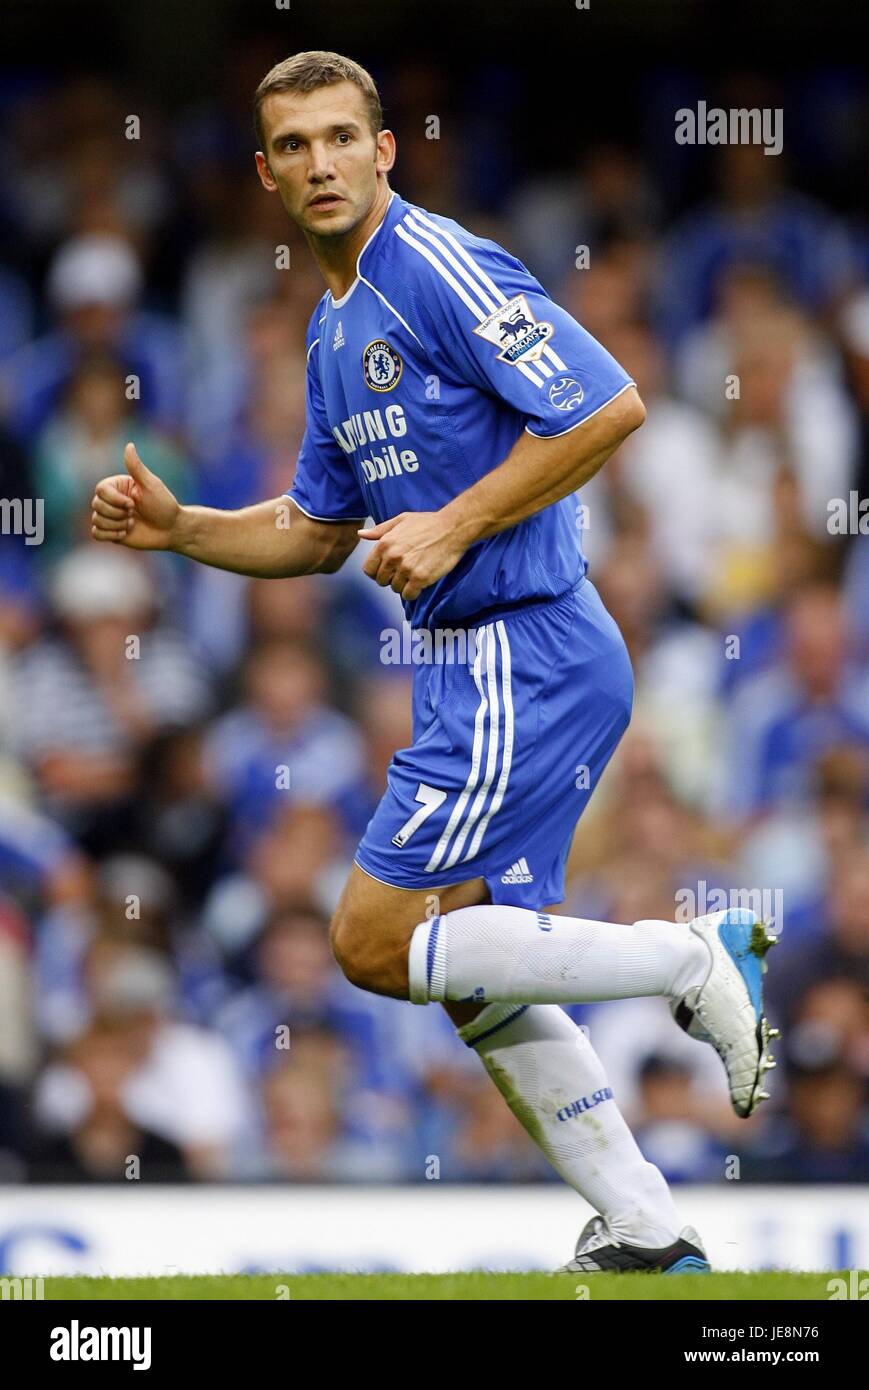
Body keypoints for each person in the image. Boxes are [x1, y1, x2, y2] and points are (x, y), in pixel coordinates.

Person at [90, 49, 778, 1272]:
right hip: (473, 664)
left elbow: (606, 403)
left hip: (526, 648)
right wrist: (183, 528)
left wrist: (456, 520)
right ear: (265, 173)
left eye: (341, 137)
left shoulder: (436, 266)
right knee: (469, 967)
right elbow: (316, 530)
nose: (320, 164)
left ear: (384, 149)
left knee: (367, 940)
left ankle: (690, 956)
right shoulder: (329, 330)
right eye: (293, 146)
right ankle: (647, 1229)